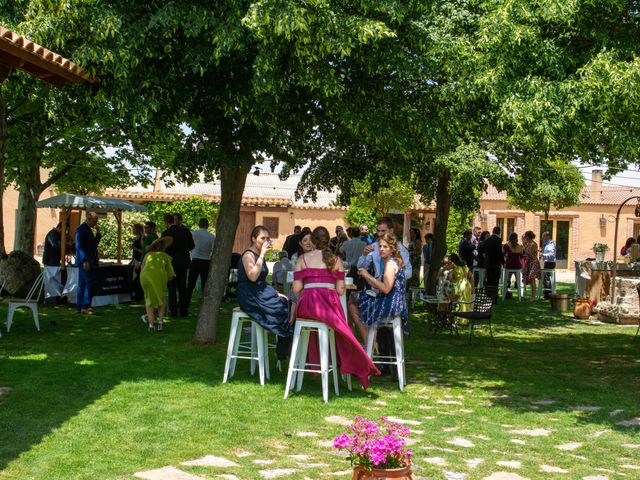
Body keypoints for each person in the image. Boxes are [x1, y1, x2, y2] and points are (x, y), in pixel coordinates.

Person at [292, 226, 380, 388]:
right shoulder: (336, 261)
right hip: (327, 307)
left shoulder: (302, 259)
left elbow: (296, 289)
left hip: (307, 308)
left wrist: (309, 283)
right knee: (344, 331)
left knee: (334, 327)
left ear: (313, 241)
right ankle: (357, 364)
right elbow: (340, 291)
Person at [237, 225, 293, 361]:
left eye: (268, 238)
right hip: (250, 295)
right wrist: (262, 255)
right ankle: (284, 345)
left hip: (261, 292)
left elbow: (262, 279)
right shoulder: (249, 255)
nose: (266, 241)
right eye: (262, 238)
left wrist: (276, 292)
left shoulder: (258, 255)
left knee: (288, 304)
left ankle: (284, 344)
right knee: (282, 307)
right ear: (253, 239)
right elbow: (253, 276)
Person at [356, 233, 409, 366]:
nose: (381, 249)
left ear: (392, 248)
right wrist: (371, 278)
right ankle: (369, 342)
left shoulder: (390, 264)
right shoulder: (393, 262)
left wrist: (368, 275)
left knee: (353, 300)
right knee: (356, 299)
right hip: (394, 304)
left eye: (385, 246)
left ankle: (368, 344)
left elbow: (385, 289)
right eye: (380, 246)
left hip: (390, 306)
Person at [162, 213, 195, 317]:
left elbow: (163, 249)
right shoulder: (185, 231)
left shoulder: (166, 233)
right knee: (182, 287)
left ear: (166, 222)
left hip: (171, 262)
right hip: (183, 262)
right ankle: (183, 310)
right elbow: (192, 246)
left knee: (171, 288)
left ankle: (173, 311)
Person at [140, 236, 175, 332]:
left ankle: (151, 325)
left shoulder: (148, 255)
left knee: (148, 300)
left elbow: (142, 268)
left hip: (145, 277)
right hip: (159, 278)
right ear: (164, 247)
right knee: (161, 300)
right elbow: (170, 273)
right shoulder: (165, 257)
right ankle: (160, 323)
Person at [75, 211, 101, 315]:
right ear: (89, 219)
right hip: (85, 261)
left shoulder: (88, 230)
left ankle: (80, 307)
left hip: (88, 259)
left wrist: (98, 235)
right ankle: (85, 306)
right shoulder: (81, 230)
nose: (96, 223)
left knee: (82, 285)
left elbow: (93, 245)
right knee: (89, 283)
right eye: (95, 221)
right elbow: (79, 246)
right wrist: (84, 260)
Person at [186, 218, 215, 308]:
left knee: (191, 283)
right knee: (205, 284)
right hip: (206, 261)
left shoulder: (193, 234)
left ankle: (186, 303)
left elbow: (189, 246)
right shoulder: (211, 236)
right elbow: (213, 250)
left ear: (199, 224)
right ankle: (204, 303)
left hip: (195, 260)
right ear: (207, 225)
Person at [43, 223, 64, 304]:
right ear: (60, 228)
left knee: (54, 281)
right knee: (51, 281)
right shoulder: (53, 234)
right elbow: (56, 245)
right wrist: (65, 245)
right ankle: (52, 299)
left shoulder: (55, 234)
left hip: (53, 262)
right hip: (50, 262)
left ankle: (55, 298)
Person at [482, 226, 504, 302]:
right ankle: (494, 298)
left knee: (489, 281)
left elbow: (483, 251)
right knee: (495, 281)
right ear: (499, 232)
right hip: (496, 263)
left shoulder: (487, 240)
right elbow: (499, 252)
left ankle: (488, 297)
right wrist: (503, 262)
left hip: (488, 263)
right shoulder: (498, 240)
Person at [522, 230, 541, 301]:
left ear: (528, 237)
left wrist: (526, 251)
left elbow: (531, 254)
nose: (525, 238)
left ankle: (534, 296)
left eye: (525, 237)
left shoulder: (533, 244)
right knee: (530, 279)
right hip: (529, 262)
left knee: (532, 279)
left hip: (533, 263)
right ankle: (533, 296)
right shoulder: (528, 244)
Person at [130, 223, 145, 301]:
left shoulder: (142, 238)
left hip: (139, 261)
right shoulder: (136, 238)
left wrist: (135, 248)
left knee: (138, 279)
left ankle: (138, 295)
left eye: (134, 228)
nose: (133, 229)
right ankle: (136, 294)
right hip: (135, 260)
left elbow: (144, 251)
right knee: (135, 278)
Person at [540, 231, 556, 299]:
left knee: (546, 279)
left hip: (550, 263)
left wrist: (543, 254)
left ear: (547, 236)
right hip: (547, 262)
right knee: (545, 278)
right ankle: (546, 293)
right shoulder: (547, 244)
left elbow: (552, 255)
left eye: (543, 236)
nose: (542, 238)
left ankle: (548, 294)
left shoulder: (550, 244)